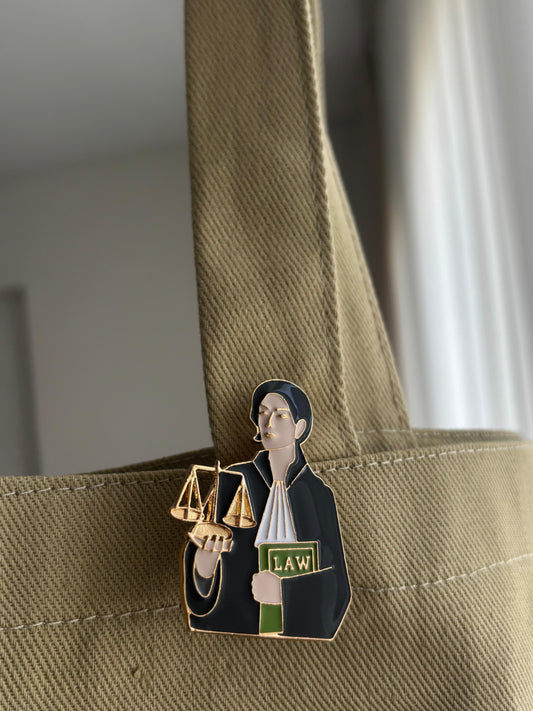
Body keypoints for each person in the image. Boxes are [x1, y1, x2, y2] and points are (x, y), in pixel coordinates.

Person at [183, 379, 351, 640]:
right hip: (231, 632)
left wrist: (284, 593)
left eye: (280, 415)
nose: (269, 423)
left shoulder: (317, 495)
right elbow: (206, 549)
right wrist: (203, 569)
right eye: (263, 413)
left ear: (299, 427)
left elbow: (337, 584)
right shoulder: (233, 481)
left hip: (298, 643)